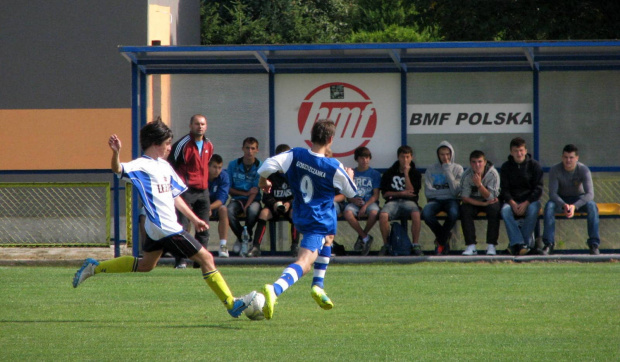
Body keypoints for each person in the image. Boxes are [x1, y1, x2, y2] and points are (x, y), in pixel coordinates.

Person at [72, 120, 255, 318]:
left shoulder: (165, 167)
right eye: (167, 143)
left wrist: (194, 219)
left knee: (146, 265)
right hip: (165, 228)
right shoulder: (141, 165)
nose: (170, 147)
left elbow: (175, 196)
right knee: (207, 258)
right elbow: (118, 170)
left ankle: (95, 267)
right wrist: (116, 153)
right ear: (155, 143)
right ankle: (232, 304)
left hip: (156, 227)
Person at [257, 119, 357, 320]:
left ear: (311, 136)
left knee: (329, 237)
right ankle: (275, 289)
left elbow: (267, 165)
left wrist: (263, 181)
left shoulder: (296, 154)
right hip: (317, 221)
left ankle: (318, 286)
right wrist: (350, 175)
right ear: (330, 139)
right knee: (304, 263)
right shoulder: (332, 166)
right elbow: (352, 192)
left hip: (301, 214)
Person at [167, 114, 213, 269]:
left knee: (203, 227)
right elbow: (171, 165)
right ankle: (181, 260)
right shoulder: (183, 144)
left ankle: (200, 262)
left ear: (206, 126)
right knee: (182, 226)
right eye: (196, 124)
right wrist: (177, 187)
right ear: (190, 125)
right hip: (186, 191)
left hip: (203, 191)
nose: (200, 126)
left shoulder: (209, 145)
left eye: (202, 124)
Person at [542, 144, 600, 255]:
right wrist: (564, 205)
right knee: (549, 207)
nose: (568, 160)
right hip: (561, 199)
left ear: (577, 158)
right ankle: (548, 244)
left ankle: (594, 244)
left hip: (578, 199)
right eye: (566, 157)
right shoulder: (555, 170)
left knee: (592, 206)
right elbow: (553, 194)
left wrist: (575, 206)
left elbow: (589, 194)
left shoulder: (583, 170)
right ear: (562, 157)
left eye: (571, 157)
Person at [249, 144, 299, 257]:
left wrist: (289, 203)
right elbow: (265, 197)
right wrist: (275, 204)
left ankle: (295, 246)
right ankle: (256, 247)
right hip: (274, 206)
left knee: (295, 213)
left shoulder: (294, 174)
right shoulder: (270, 174)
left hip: (289, 206)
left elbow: (299, 196)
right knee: (263, 213)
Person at [500, 137, 544, 255]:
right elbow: (504, 190)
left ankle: (517, 245)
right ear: (511, 152)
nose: (519, 153)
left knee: (534, 208)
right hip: (512, 202)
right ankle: (523, 245)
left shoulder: (535, 166)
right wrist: (512, 203)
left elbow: (538, 189)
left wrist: (527, 202)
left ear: (525, 150)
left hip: (530, 201)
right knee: (505, 211)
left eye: (521, 150)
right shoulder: (506, 167)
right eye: (515, 151)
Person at [378, 145, 423, 256]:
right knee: (383, 215)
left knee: (416, 214)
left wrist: (406, 174)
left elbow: (412, 191)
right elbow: (385, 194)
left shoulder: (415, 173)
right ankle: (387, 244)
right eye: (403, 157)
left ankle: (415, 244)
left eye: (407, 157)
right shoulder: (389, 172)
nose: (405, 160)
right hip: (392, 202)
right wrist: (401, 193)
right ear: (398, 157)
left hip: (409, 202)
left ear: (411, 157)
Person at [422, 141, 464, 255]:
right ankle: (445, 236)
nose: (445, 157)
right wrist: (445, 192)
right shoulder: (431, 169)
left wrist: (447, 169)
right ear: (438, 155)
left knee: (454, 214)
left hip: (452, 200)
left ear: (451, 154)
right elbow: (428, 193)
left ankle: (440, 240)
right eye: (442, 154)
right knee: (426, 213)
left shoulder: (458, 169)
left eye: (447, 154)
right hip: (435, 201)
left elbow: (456, 192)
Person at [460, 150, 501, 256]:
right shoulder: (466, 175)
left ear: (485, 162)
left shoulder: (493, 174)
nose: (477, 165)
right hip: (474, 202)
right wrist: (482, 204)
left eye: (480, 162)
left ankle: (491, 245)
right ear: (470, 163)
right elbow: (464, 198)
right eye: (473, 162)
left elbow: (491, 197)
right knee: (464, 209)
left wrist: (479, 185)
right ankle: (471, 246)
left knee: (494, 209)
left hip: (489, 201)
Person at [227, 137, 262, 257]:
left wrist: (247, 204)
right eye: (247, 148)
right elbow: (229, 188)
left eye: (253, 148)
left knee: (252, 211)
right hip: (237, 198)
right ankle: (243, 237)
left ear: (257, 150)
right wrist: (244, 194)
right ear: (242, 148)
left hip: (254, 200)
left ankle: (243, 238)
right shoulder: (233, 165)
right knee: (228, 211)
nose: (249, 151)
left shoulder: (260, 166)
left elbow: (254, 191)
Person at [343, 146, 381, 256]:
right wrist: (353, 200)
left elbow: (376, 195)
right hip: (355, 203)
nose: (365, 161)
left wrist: (365, 206)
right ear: (357, 159)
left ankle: (362, 236)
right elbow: (347, 193)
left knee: (374, 213)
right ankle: (365, 237)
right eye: (362, 158)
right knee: (347, 212)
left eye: (367, 158)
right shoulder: (351, 173)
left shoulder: (374, 174)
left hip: (370, 203)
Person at [207, 154, 231, 257]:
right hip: (201, 205)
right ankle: (187, 248)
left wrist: (210, 207)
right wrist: (205, 208)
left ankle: (223, 246)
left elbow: (222, 199)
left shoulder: (224, 176)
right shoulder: (201, 175)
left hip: (214, 207)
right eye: (214, 167)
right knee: (187, 211)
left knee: (224, 209)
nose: (217, 170)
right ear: (208, 166)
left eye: (219, 167)